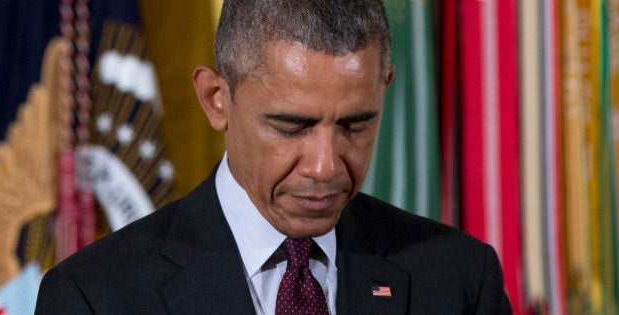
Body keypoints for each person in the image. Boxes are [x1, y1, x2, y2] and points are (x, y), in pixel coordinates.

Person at [35, 0, 512, 314]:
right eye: (291, 126)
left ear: (384, 90)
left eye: (355, 125)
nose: (325, 166)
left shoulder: (462, 281)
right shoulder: (93, 297)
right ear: (216, 98)